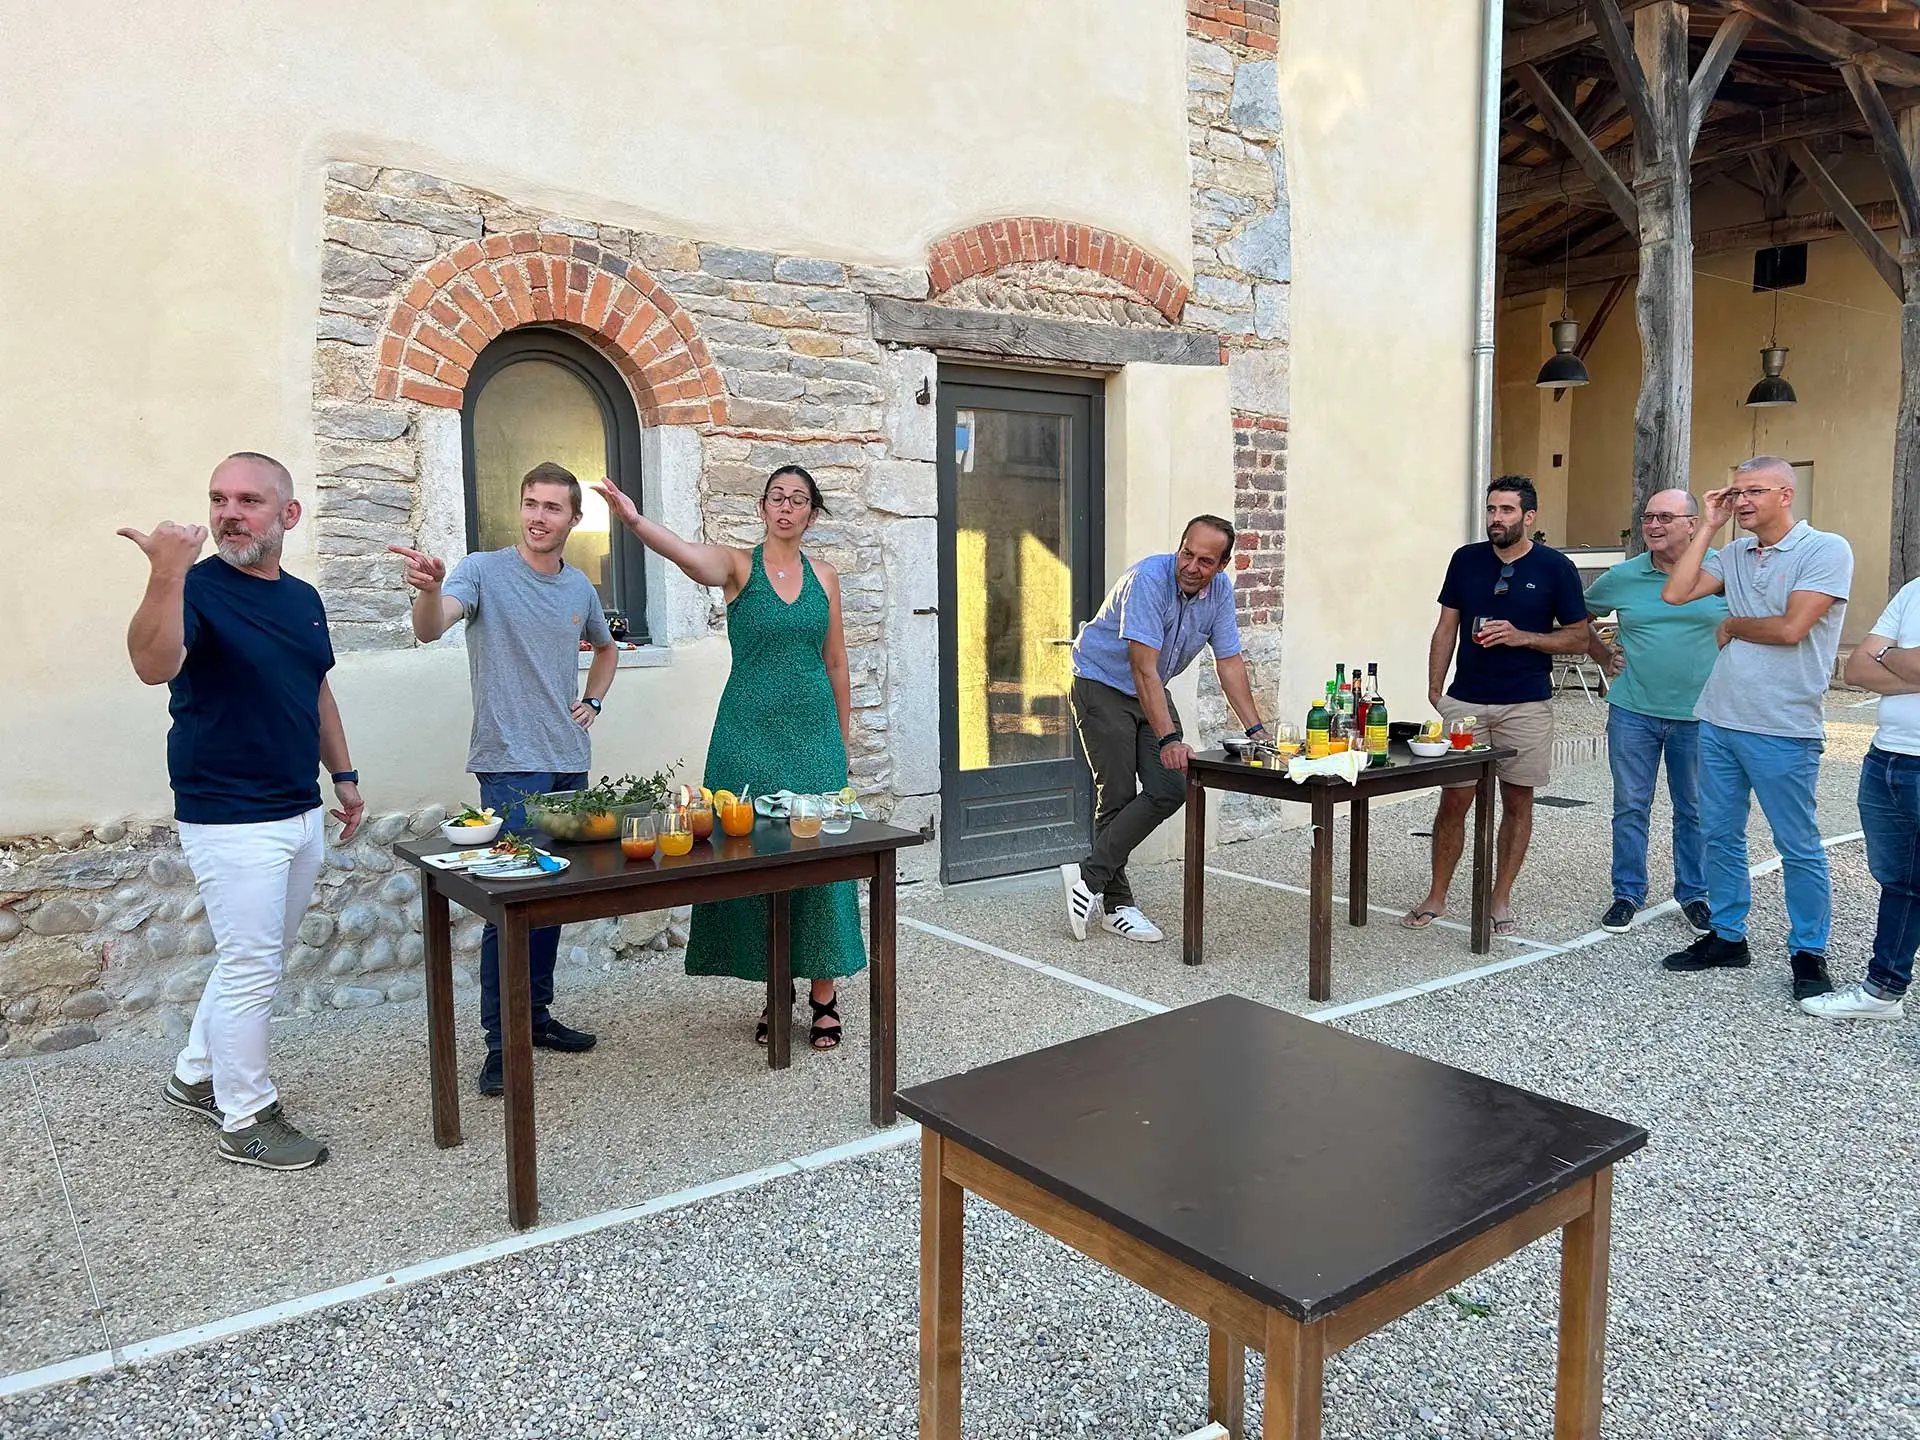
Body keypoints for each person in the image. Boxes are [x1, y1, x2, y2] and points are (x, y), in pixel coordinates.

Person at [122, 452, 364, 1171]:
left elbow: (315, 691)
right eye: (219, 498)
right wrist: (164, 571)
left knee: (253, 959)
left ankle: (196, 1072)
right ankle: (245, 1116)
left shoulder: (302, 599)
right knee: (254, 963)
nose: (231, 512)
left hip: (298, 807)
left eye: (250, 500)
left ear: (287, 515)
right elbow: (152, 664)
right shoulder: (195, 587)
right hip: (227, 813)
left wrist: (343, 776)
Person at [593, 466, 861, 1050]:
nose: (787, 508)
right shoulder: (738, 567)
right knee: (756, 859)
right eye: (777, 498)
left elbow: (836, 662)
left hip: (813, 735)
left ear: (812, 515)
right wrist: (635, 521)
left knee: (820, 866)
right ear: (763, 508)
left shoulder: (826, 576)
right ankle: (773, 989)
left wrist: (840, 741)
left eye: (799, 501)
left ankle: (823, 994)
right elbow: (688, 556)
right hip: (747, 735)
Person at [390, 461, 618, 1095]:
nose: (539, 517)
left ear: (573, 519)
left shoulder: (579, 589)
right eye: (530, 504)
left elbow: (606, 649)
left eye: (552, 508)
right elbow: (431, 625)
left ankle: (537, 1016)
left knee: (552, 901)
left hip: (568, 761)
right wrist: (429, 589)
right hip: (509, 764)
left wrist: (593, 703)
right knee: (510, 904)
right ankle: (501, 1043)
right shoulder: (482, 570)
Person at [1657, 457, 1852, 1002]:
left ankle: (1809, 950)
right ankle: (1727, 935)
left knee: (1798, 844)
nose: (1741, 501)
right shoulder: (1735, 552)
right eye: (1735, 492)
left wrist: (1732, 623)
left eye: (1753, 492)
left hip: (1783, 724)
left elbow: (1792, 628)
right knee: (1719, 834)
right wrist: (1710, 526)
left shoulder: (1824, 549)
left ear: (1786, 494)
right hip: (1719, 718)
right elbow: (1675, 593)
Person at [1060, 516, 1269, 943]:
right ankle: (1117, 906)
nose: (1191, 566)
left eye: (1205, 561)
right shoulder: (1148, 580)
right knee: (1116, 793)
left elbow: (1228, 661)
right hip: (1102, 684)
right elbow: (1142, 668)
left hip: (1151, 688)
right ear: (1180, 546)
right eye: (1187, 553)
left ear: (1223, 565)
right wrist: (1170, 738)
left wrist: (1256, 730)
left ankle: (1087, 874)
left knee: (1171, 787)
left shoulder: (1220, 593)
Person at [1403, 475, 1590, 936]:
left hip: (1525, 704)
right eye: (1491, 510)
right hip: (1465, 701)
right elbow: (1446, 626)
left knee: (1518, 801)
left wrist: (1523, 636)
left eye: (1507, 511)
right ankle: (1437, 894)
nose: (1496, 519)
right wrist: (1435, 690)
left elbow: (1580, 637)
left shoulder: (1555, 568)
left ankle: (1499, 897)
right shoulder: (1465, 560)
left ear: (1528, 517)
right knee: (1454, 799)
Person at [1581, 489, 1727, 936]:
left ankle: (1695, 895)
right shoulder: (1622, 576)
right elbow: (1576, 617)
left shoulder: (1722, 570)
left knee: (1695, 809)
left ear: (1691, 523)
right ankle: (1627, 893)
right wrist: (1603, 656)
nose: (1653, 524)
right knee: (1629, 806)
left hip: (1700, 712)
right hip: (1633, 710)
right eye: (1647, 516)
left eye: (1665, 516)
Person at [1812, 579, 1920, 1020]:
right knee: (1900, 882)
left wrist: (1887, 654)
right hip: (1887, 757)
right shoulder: (1914, 590)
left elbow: (1874, 656)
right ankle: (1883, 989)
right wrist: (1903, 663)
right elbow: (1855, 669)